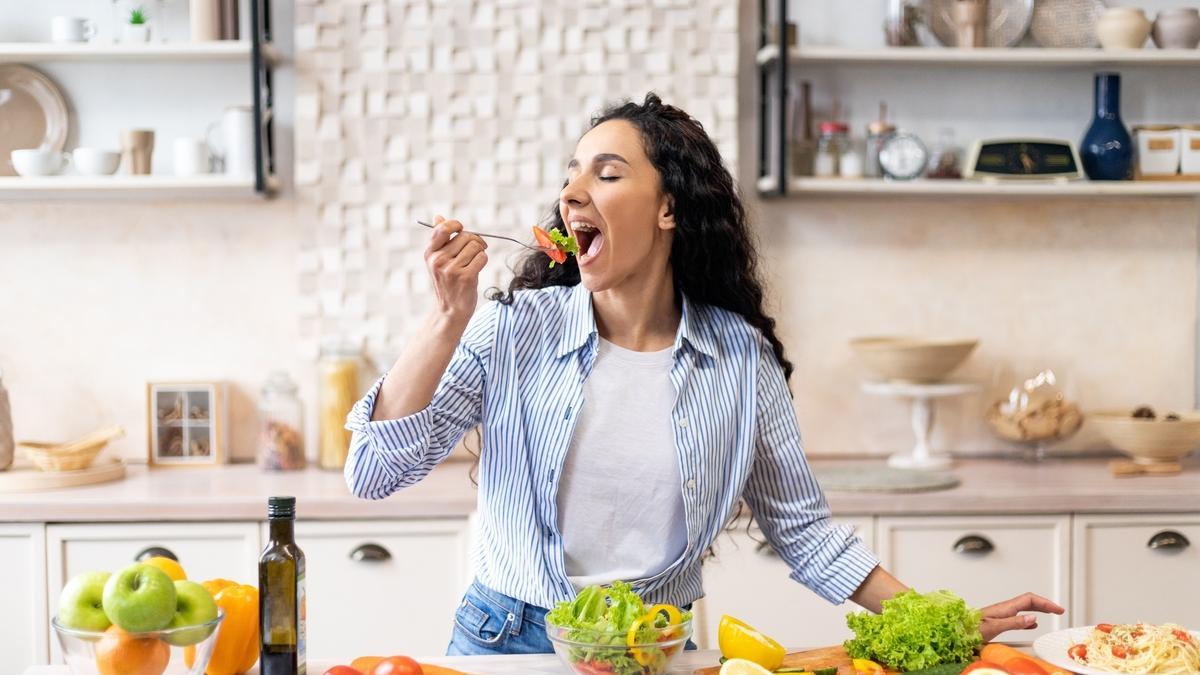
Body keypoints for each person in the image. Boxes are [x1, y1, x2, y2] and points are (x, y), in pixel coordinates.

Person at [344, 93, 1063, 656]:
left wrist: (940, 617)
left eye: (607, 172)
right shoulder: (513, 329)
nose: (573, 191)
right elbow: (372, 472)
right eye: (571, 172)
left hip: (653, 649)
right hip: (507, 643)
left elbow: (805, 532)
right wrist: (446, 317)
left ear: (668, 208)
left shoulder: (740, 362)